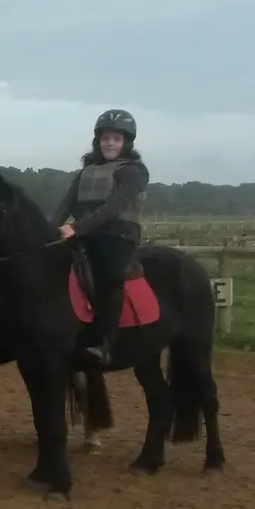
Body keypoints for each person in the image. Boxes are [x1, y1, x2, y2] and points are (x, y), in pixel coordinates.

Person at [52, 108, 150, 366]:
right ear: (98, 140)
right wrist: (49, 229)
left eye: (116, 139)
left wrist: (78, 228)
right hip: (85, 233)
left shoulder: (133, 171)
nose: (110, 143)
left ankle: (105, 342)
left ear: (126, 142)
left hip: (118, 235)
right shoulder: (87, 171)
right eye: (106, 138)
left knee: (108, 274)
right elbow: (66, 204)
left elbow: (113, 208)